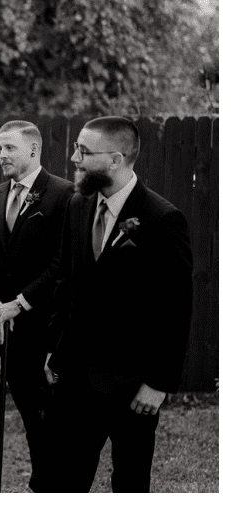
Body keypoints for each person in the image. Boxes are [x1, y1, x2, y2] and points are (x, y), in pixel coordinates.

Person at [45, 116, 192, 492]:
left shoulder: (162, 219)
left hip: (132, 384)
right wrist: (53, 350)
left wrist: (158, 383)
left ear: (116, 159)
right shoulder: (78, 205)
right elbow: (65, 284)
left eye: (83, 151)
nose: (74, 158)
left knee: (130, 482)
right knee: (64, 481)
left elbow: (176, 309)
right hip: (76, 378)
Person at [0, 120, 73, 492]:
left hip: (48, 327)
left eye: (10, 148)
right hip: (9, 330)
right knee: (29, 411)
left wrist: (20, 303)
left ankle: (54, 485)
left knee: (53, 412)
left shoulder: (63, 195)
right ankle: (42, 480)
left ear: (33, 150)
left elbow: (62, 262)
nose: (1, 155)